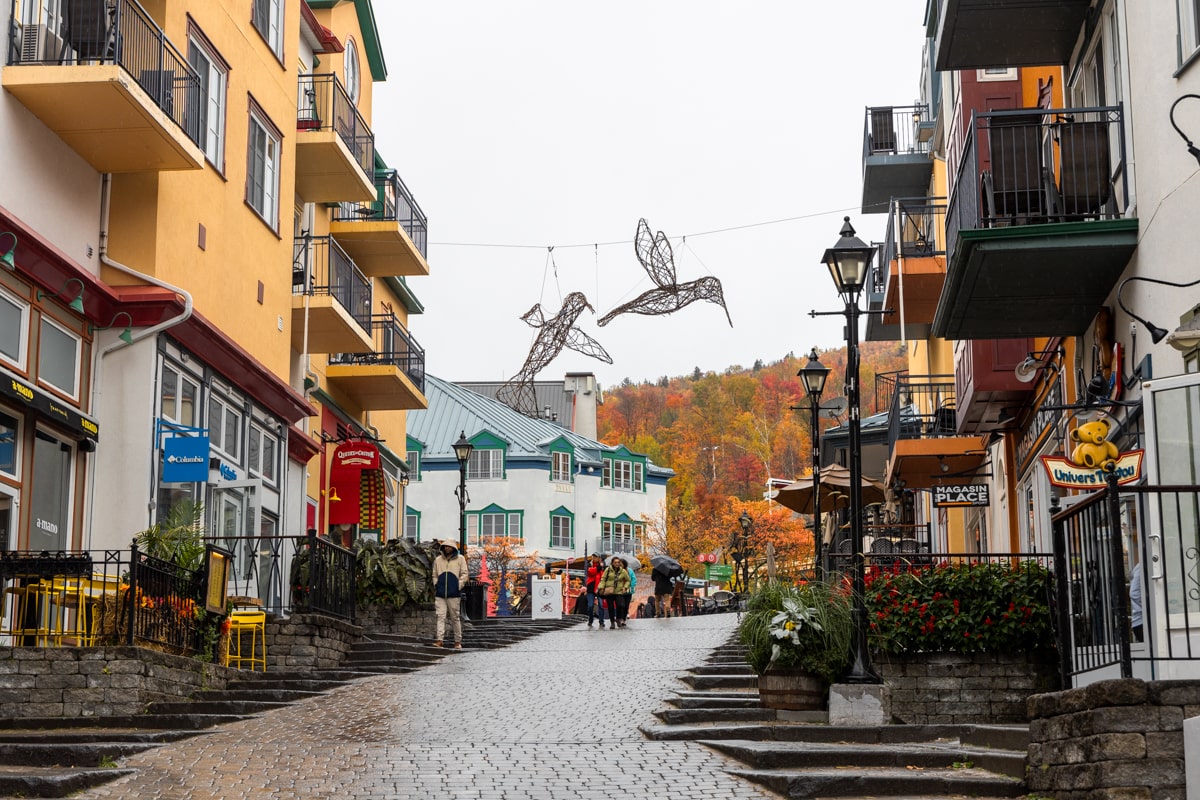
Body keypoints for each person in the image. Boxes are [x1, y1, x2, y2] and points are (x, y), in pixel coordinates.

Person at [432, 541, 469, 649]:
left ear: (453, 548)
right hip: (440, 593)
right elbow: (434, 574)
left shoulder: (460, 559)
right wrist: (436, 585)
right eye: (446, 546)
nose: (447, 548)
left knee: (455, 617)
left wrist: (458, 585)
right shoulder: (438, 560)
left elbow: (464, 574)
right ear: (443, 547)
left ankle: (457, 641)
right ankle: (439, 640)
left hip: (454, 593)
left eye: (450, 546)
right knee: (440, 616)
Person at [597, 556, 632, 629]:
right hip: (610, 591)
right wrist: (601, 587)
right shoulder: (608, 570)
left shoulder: (623, 571)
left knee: (621, 605)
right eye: (615, 562)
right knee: (610, 607)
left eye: (618, 562)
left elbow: (628, 580)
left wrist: (625, 587)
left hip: (619, 591)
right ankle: (612, 622)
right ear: (612, 563)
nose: (617, 564)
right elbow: (603, 579)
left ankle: (618, 618)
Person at [585, 553, 608, 628]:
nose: (594, 558)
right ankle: (590, 620)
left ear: (599, 558)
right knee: (590, 606)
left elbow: (604, 575)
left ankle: (601, 621)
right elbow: (591, 572)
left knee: (601, 605)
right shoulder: (590, 564)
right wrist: (599, 567)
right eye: (593, 557)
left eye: (596, 557)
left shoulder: (603, 565)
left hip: (600, 587)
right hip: (591, 587)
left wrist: (601, 566)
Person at [1129, 559, 1143, 643]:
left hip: (1139, 621)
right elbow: (1134, 593)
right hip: (1141, 621)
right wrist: (1148, 608)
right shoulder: (1141, 567)